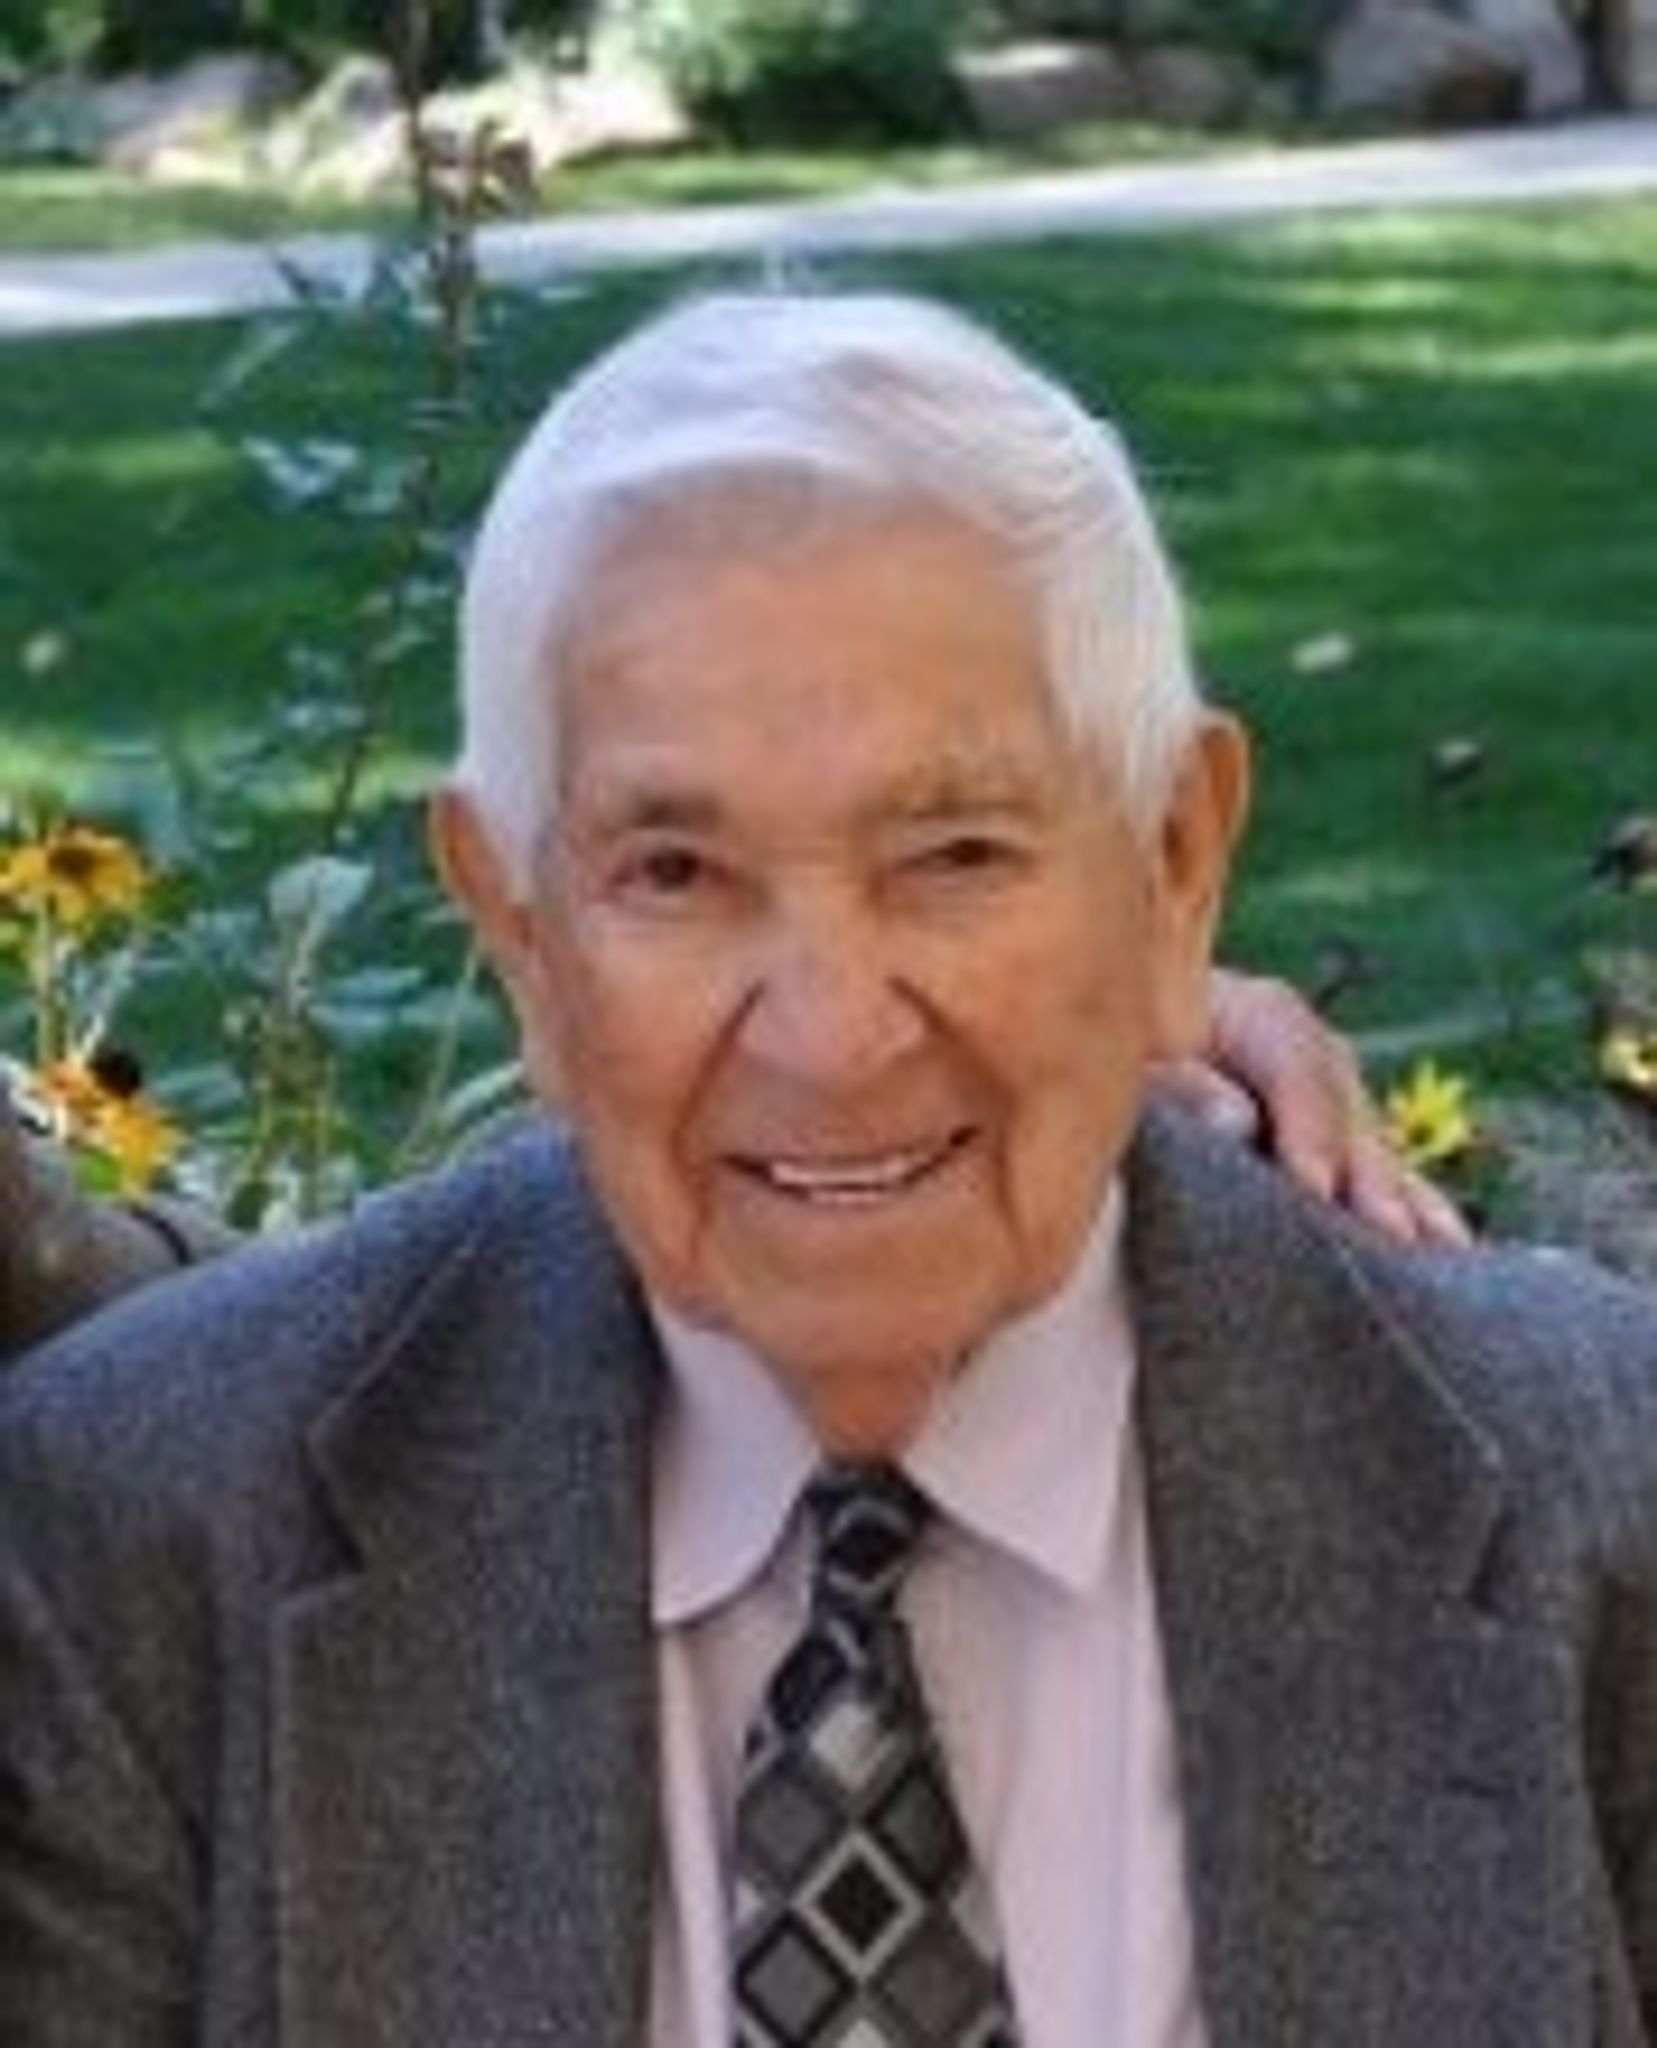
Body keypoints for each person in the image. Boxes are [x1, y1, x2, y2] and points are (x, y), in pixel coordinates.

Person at [2, 288, 1654, 2047]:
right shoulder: (146, 1546)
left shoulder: (1600, 1498)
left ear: (1174, 864)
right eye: (674, 874)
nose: (830, 1034)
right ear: (518, 932)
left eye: (955, 856)